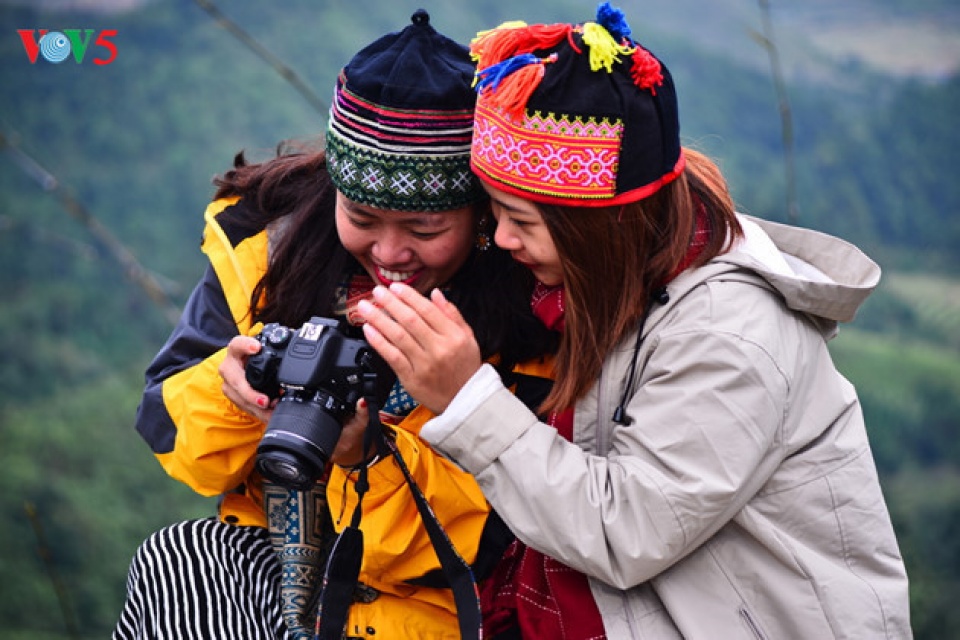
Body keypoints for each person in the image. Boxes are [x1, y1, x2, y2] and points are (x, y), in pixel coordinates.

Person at [356, 3, 913, 638]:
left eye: (525, 222)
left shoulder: (727, 336)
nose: (502, 239)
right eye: (496, 212)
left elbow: (625, 532)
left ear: (600, 225)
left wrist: (465, 399)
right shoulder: (618, 277)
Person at [113, 10, 557, 640]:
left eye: (425, 230)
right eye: (363, 218)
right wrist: (235, 391)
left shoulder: (533, 302)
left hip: (439, 608)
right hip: (280, 570)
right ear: (335, 191)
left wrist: (366, 454)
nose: (390, 253)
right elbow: (167, 432)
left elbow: (490, 540)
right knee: (180, 558)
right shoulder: (267, 250)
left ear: (481, 211)